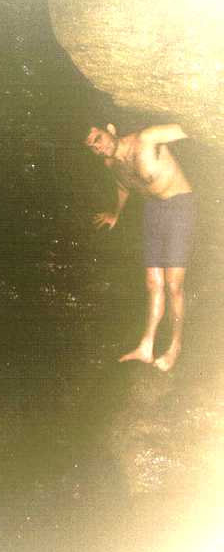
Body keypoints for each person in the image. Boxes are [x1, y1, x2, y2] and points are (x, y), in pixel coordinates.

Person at [85, 122, 197, 372]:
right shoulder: (111, 164)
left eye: (98, 138)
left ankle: (175, 347)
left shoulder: (146, 138)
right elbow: (124, 186)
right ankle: (146, 347)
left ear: (110, 129)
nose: (98, 147)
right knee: (153, 283)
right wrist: (116, 213)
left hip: (179, 205)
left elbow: (191, 128)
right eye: (92, 146)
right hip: (153, 209)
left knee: (173, 285)